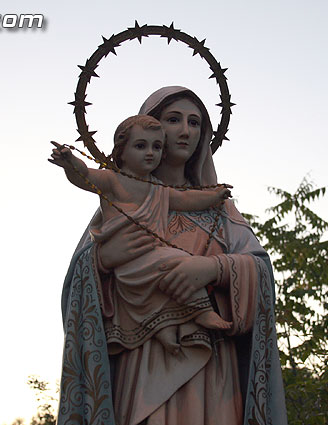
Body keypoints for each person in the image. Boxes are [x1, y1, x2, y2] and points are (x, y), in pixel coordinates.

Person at [55, 86, 287, 425]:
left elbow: (260, 268)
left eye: (194, 122)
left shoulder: (221, 211)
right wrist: (102, 261)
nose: (185, 131)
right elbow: (78, 284)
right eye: (173, 119)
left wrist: (213, 268)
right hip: (143, 360)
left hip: (212, 367)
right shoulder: (123, 202)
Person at [49, 114, 232, 356]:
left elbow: (186, 199)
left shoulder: (157, 189)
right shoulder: (112, 180)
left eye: (157, 147)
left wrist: (214, 196)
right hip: (128, 260)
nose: (150, 153)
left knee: (167, 279)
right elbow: (85, 175)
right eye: (140, 146)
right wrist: (70, 162)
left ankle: (162, 328)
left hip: (151, 255)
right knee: (180, 261)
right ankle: (202, 310)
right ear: (122, 151)